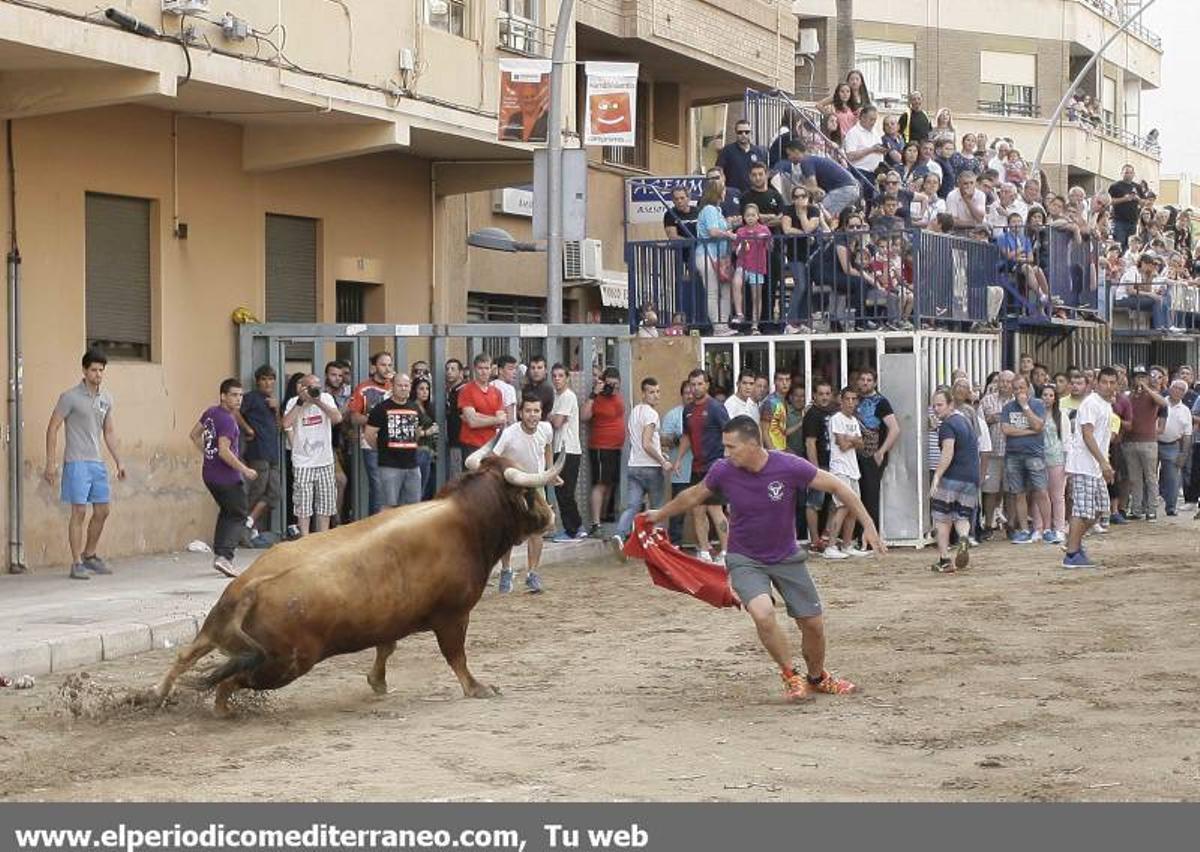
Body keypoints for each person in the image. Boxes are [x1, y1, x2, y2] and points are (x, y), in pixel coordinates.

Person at [645, 416, 883, 702]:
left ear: (753, 444)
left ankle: (818, 677)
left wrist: (868, 523)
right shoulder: (723, 471)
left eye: (732, 447)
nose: (726, 453)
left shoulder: (788, 465)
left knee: (813, 625)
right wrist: (659, 515)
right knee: (762, 613)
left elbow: (838, 487)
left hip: (786, 557)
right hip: (745, 557)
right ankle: (791, 676)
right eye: (725, 447)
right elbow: (693, 496)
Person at [43, 349, 125, 580]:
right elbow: (53, 428)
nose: (98, 374)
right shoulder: (69, 397)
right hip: (76, 462)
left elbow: (108, 432)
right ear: (84, 370)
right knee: (78, 511)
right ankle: (76, 562)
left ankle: (90, 555)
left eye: (101, 370)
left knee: (103, 510)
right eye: (94, 370)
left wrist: (119, 461)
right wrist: (51, 463)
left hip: (97, 463)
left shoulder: (106, 398)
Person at [485, 394, 555, 594]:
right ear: (520, 413)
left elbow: (547, 447)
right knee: (509, 532)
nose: (532, 415)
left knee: (537, 530)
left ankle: (533, 574)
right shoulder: (509, 433)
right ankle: (506, 571)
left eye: (536, 411)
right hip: (512, 485)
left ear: (541, 413)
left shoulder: (546, 429)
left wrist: (550, 472)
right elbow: (493, 457)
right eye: (528, 411)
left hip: (536, 483)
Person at [190, 378, 258, 578]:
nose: (238, 399)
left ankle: (220, 553)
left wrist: (206, 453)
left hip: (209, 474)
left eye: (240, 395)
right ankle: (225, 557)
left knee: (228, 512)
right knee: (238, 513)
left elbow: (194, 435)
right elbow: (224, 451)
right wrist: (245, 470)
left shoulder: (211, 413)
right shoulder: (228, 420)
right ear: (223, 396)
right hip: (226, 477)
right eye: (234, 395)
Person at [1062, 367, 1118, 568]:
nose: (1109, 386)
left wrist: (1105, 462)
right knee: (1083, 511)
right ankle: (1071, 554)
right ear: (1097, 383)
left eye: (1112, 382)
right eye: (1105, 382)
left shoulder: (1106, 405)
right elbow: (1088, 435)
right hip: (1084, 464)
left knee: (1100, 510)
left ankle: (1073, 543)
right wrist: (1103, 462)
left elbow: (1102, 438)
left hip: (1095, 465)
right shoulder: (1091, 403)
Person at [675, 369, 731, 561]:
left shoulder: (716, 408)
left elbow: (729, 432)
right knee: (697, 509)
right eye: (693, 384)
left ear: (707, 385)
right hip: (697, 467)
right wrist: (679, 459)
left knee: (715, 509)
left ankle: (725, 552)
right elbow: (686, 437)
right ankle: (705, 551)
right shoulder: (688, 410)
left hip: (714, 466)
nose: (696, 388)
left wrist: (727, 460)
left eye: (700, 384)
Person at [615, 377, 673, 546]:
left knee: (632, 506)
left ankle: (620, 534)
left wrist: (660, 452)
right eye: (651, 392)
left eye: (657, 391)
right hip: (651, 468)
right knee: (657, 509)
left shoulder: (635, 411)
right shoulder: (652, 413)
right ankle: (655, 543)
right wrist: (663, 461)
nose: (655, 396)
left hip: (634, 466)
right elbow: (647, 443)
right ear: (643, 394)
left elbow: (644, 443)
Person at [282, 374, 343, 536]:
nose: (314, 390)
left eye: (317, 386)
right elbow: (286, 424)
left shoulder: (326, 398)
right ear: (302, 387)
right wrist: (301, 401)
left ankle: (323, 538)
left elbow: (337, 418)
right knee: (303, 505)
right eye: (310, 387)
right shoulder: (293, 401)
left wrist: (317, 401)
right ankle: (305, 538)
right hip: (302, 462)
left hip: (325, 460)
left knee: (326, 503)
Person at [928, 387, 979, 573]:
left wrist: (937, 476)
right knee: (962, 516)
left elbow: (948, 452)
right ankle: (964, 537)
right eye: (934, 405)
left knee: (942, 519)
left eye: (940, 405)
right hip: (971, 478)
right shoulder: (964, 421)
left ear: (950, 404)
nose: (936, 409)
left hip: (952, 477)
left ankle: (944, 560)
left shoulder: (948, 425)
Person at [1000, 376, 1053, 544]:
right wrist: (1029, 431)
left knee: (1041, 491)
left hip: (1034, 454)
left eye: (1021, 388)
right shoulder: (1007, 407)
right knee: (1018, 493)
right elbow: (1006, 430)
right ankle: (1024, 529)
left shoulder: (1037, 404)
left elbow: (1038, 425)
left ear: (1028, 388)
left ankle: (1047, 529)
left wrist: (1025, 406)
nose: (1018, 391)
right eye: (1015, 388)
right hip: (1013, 454)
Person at [827, 386, 872, 558]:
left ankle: (846, 544)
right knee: (843, 506)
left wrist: (851, 439)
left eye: (854, 399)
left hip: (853, 470)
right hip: (840, 469)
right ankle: (831, 546)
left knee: (853, 508)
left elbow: (861, 444)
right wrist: (854, 440)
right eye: (848, 399)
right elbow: (843, 445)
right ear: (841, 400)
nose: (851, 403)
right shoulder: (837, 419)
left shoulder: (854, 421)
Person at [237, 365, 281, 536]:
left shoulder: (273, 401)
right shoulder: (251, 398)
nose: (267, 382)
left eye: (270, 379)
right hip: (258, 453)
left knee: (274, 494)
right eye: (263, 379)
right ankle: (241, 530)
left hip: (272, 455)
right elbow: (235, 413)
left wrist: (276, 409)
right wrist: (248, 429)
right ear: (257, 382)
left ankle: (248, 523)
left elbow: (279, 427)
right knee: (256, 491)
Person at [855, 367, 899, 543]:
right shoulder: (854, 399)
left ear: (874, 382)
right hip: (855, 454)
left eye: (869, 380)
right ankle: (859, 537)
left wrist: (881, 451)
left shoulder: (881, 402)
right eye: (862, 379)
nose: (865, 383)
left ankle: (871, 538)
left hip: (873, 455)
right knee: (857, 496)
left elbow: (895, 429)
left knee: (870, 497)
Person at [348, 351, 394, 516]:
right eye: (383, 364)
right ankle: (375, 524)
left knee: (392, 485)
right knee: (377, 485)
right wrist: (377, 420)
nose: (387, 368)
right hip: (371, 442)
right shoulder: (363, 388)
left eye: (389, 364)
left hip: (395, 443)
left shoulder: (396, 386)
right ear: (374, 367)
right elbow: (354, 418)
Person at [582, 366, 626, 536]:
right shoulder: (597, 397)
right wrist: (594, 393)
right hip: (601, 447)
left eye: (616, 385)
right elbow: (584, 416)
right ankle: (596, 523)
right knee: (600, 484)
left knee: (609, 485)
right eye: (609, 385)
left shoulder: (618, 397)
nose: (612, 389)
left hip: (616, 448)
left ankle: (604, 517)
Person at [1124, 368, 1168, 521]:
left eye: (1143, 377)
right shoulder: (1129, 396)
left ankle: (1152, 510)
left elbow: (1163, 403)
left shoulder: (1152, 396)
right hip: (1130, 441)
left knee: (1150, 477)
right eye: (1137, 377)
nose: (1140, 380)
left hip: (1148, 442)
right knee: (1135, 478)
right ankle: (1136, 509)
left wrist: (1147, 388)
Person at [548, 363, 584, 542]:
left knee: (565, 491)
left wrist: (550, 416)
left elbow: (557, 422)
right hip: (559, 448)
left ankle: (573, 529)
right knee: (562, 490)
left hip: (568, 449)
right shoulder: (557, 396)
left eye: (560, 375)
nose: (557, 379)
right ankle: (576, 526)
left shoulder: (568, 397)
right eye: (554, 375)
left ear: (567, 378)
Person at [1030, 383, 1069, 544]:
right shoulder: (1034, 414)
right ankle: (1039, 528)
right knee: (1039, 494)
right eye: (1044, 395)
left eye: (1051, 395)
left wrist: (1068, 462)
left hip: (1056, 459)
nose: (1047, 398)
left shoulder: (1061, 415)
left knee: (1057, 496)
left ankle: (1058, 528)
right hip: (1038, 458)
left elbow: (1067, 439)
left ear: (1055, 398)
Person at [801, 380, 836, 554]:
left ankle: (826, 535)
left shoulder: (833, 412)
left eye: (827, 393)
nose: (824, 397)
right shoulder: (812, 415)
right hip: (820, 465)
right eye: (821, 394)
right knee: (814, 503)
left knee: (836, 501)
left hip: (834, 464)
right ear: (814, 395)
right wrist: (816, 469)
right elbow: (810, 443)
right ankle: (815, 540)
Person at [458, 353, 507, 459]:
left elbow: (502, 420)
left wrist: (479, 416)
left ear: (491, 370)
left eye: (486, 368)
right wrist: (495, 420)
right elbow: (472, 422)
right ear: (475, 369)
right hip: (472, 444)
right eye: (480, 368)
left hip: (492, 444)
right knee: (473, 475)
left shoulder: (497, 392)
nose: (484, 372)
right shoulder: (466, 390)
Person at [1157, 379, 1191, 516]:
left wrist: (1183, 454)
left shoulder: (1185, 411)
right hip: (1153, 441)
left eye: (1181, 390)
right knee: (1148, 476)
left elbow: (1187, 435)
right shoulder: (1159, 402)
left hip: (1172, 445)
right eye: (1175, 388)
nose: (1178, 391)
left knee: (1172, 478)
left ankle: (1170, 507)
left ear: (1184, 394)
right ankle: (1146, 507)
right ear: (1170, 388)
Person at [715, 118, 769, 194]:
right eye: (740, 132)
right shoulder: (727, 151)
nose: (743, 135)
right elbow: (719, 171)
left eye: (746, 132)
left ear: (750, 133)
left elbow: (765, 174)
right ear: (736, 133)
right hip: (734, 194)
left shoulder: (759, 152)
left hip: (754, 194)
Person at [412, 377, 439, 500]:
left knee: (428, 490)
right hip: (418, 451)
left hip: (429, 452)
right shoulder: (413, 407)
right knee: (418, 490)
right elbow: (412, 433)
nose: (425, 392)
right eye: (421, 389)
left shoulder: (428, 407)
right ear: (415, 391)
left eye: (427, 389)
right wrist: (428, 432)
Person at [444, 358, 467, 479]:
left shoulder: (463, 390)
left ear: (461, 372)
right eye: (447, 369)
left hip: (460, 441)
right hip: (451, 441)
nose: (449, 372)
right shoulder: (450, 391)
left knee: (457, 478)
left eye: (453, 369)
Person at [492, 354, 520, 425]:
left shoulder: (490, 385)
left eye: (515, 369)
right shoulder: (509, 389)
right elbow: (510, 418)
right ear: (500, 370)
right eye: (510, 369)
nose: (514, 372)